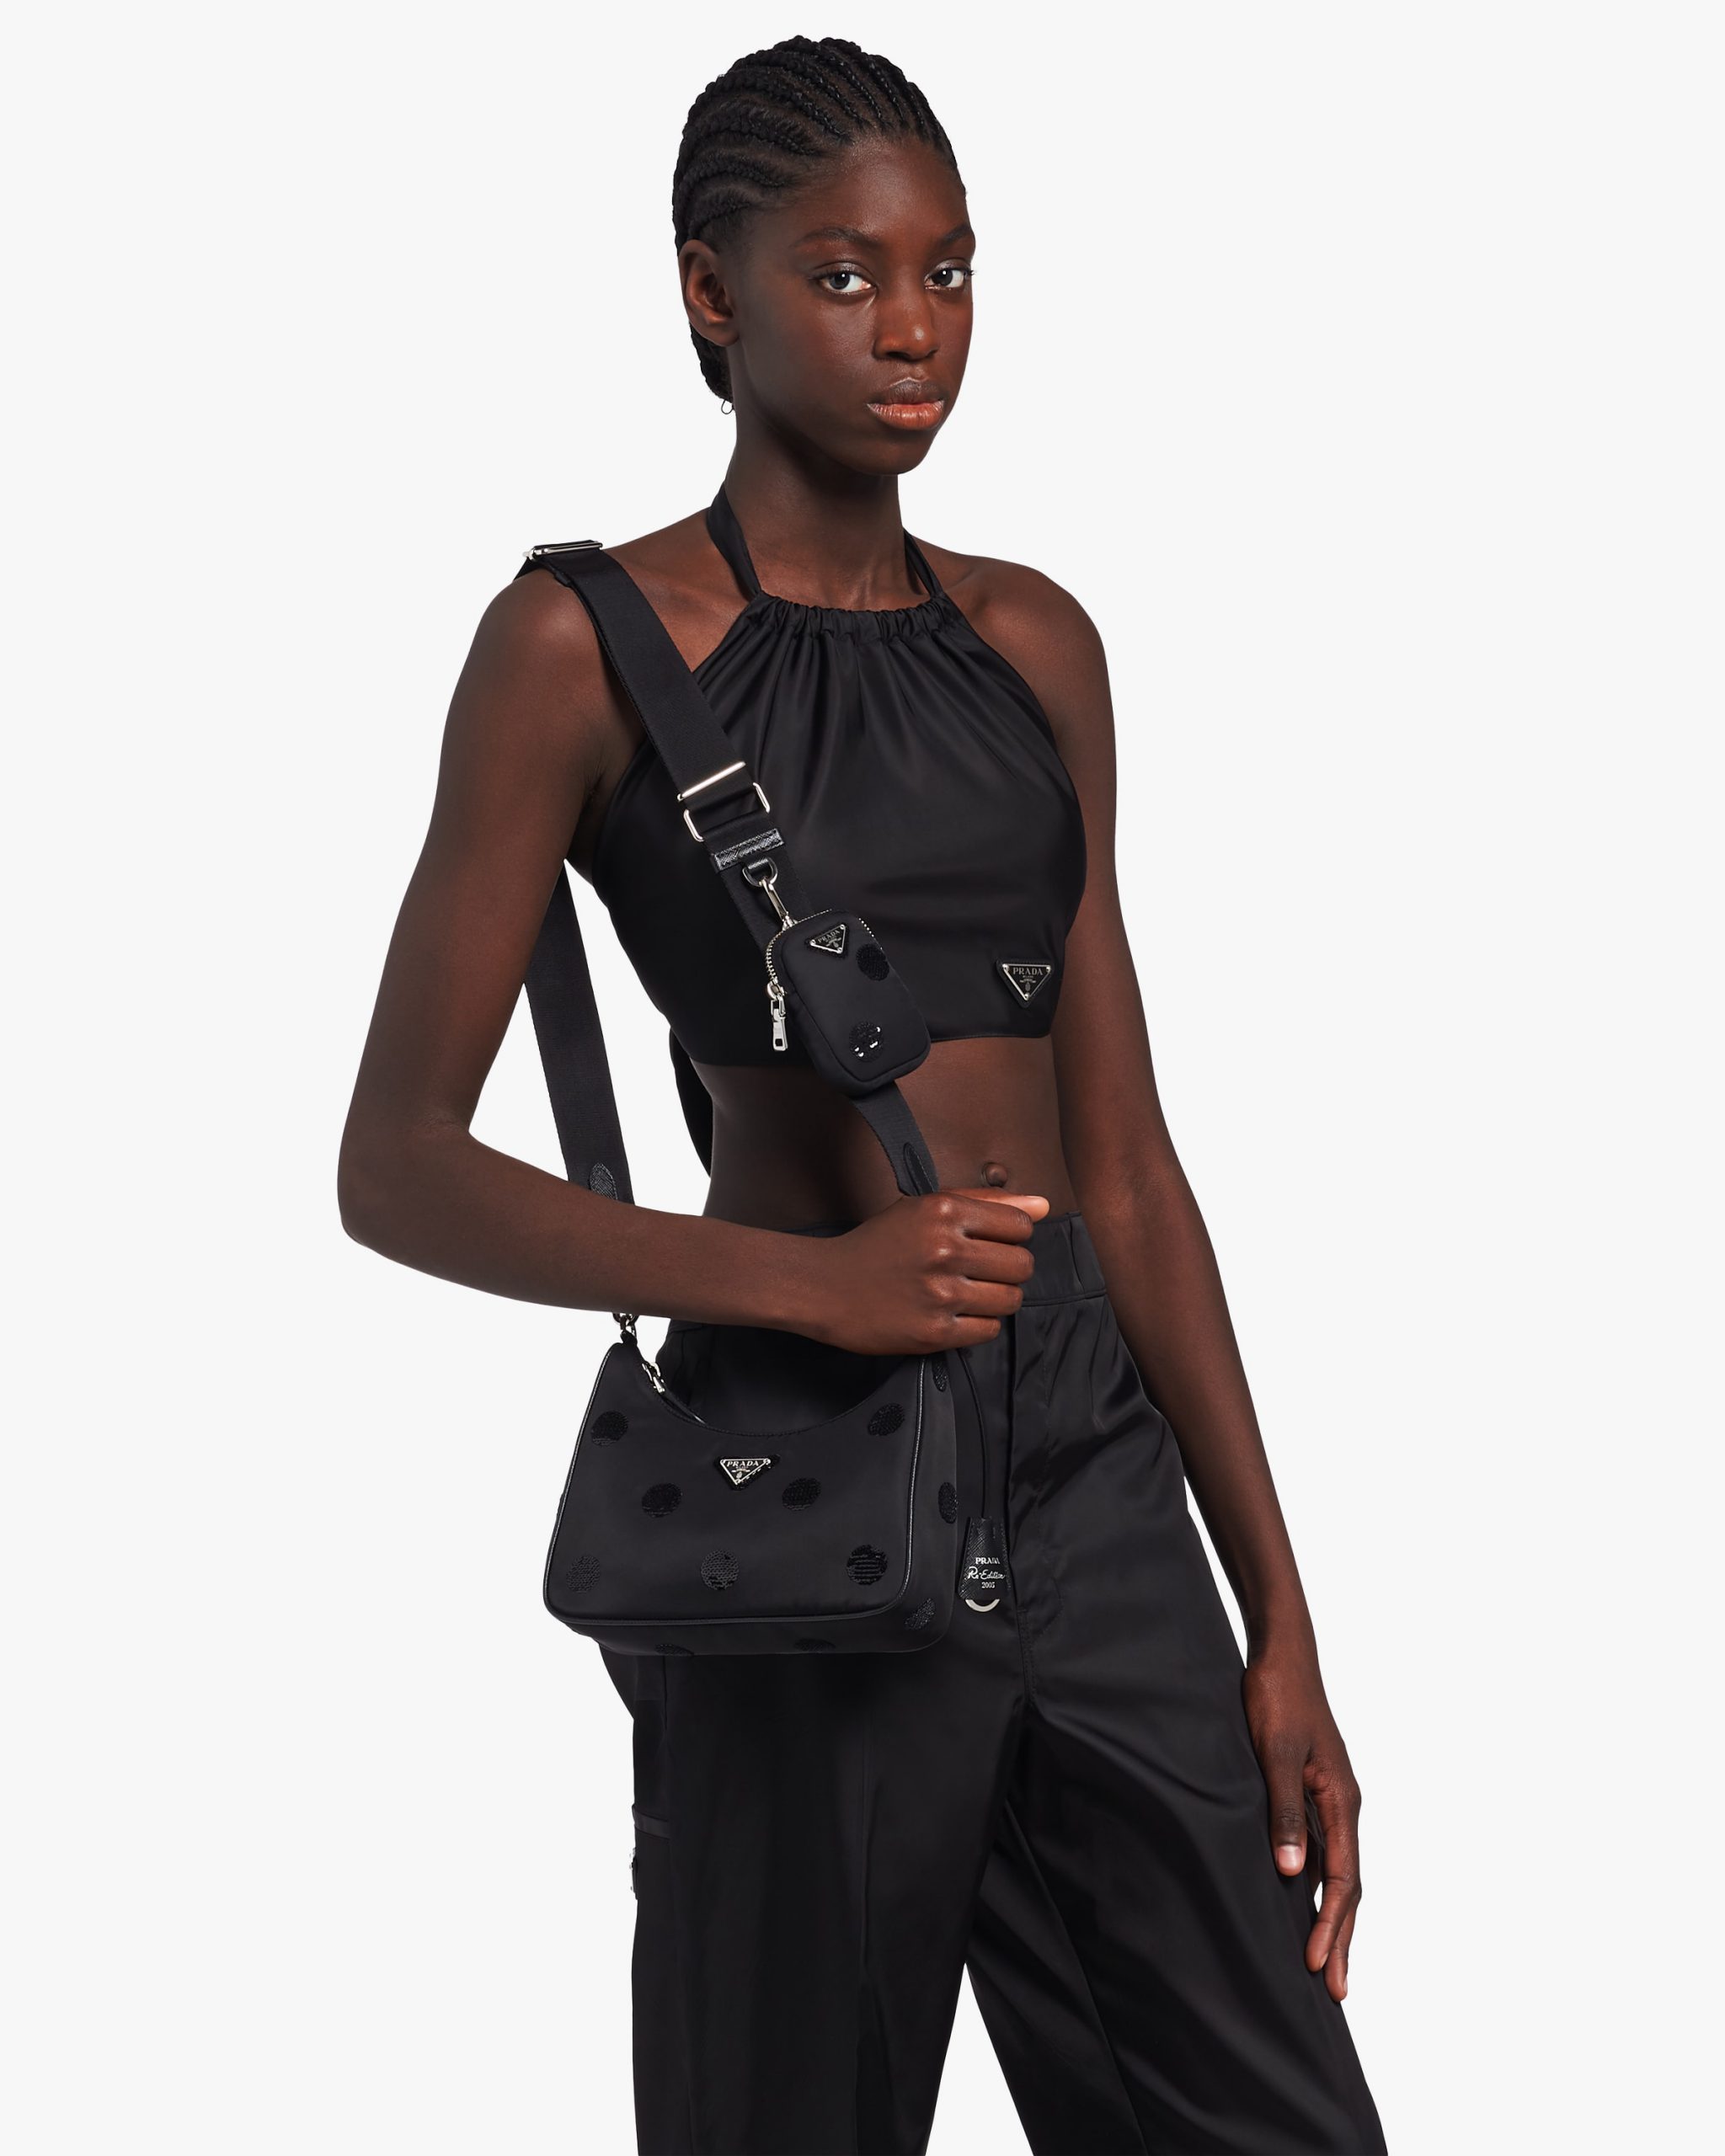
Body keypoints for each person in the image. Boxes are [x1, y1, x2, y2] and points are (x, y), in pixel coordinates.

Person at [339, 34, 1386, 2156]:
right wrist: (810, 1285)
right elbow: (396, 1165)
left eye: (948, 270)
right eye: (842, 275)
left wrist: (1276, 1612)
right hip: (798, 1461)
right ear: (707, 291)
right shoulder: (577, 646)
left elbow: (1126, 1167)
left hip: (1086, 1459)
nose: (913, 327)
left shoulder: (1036, 644)